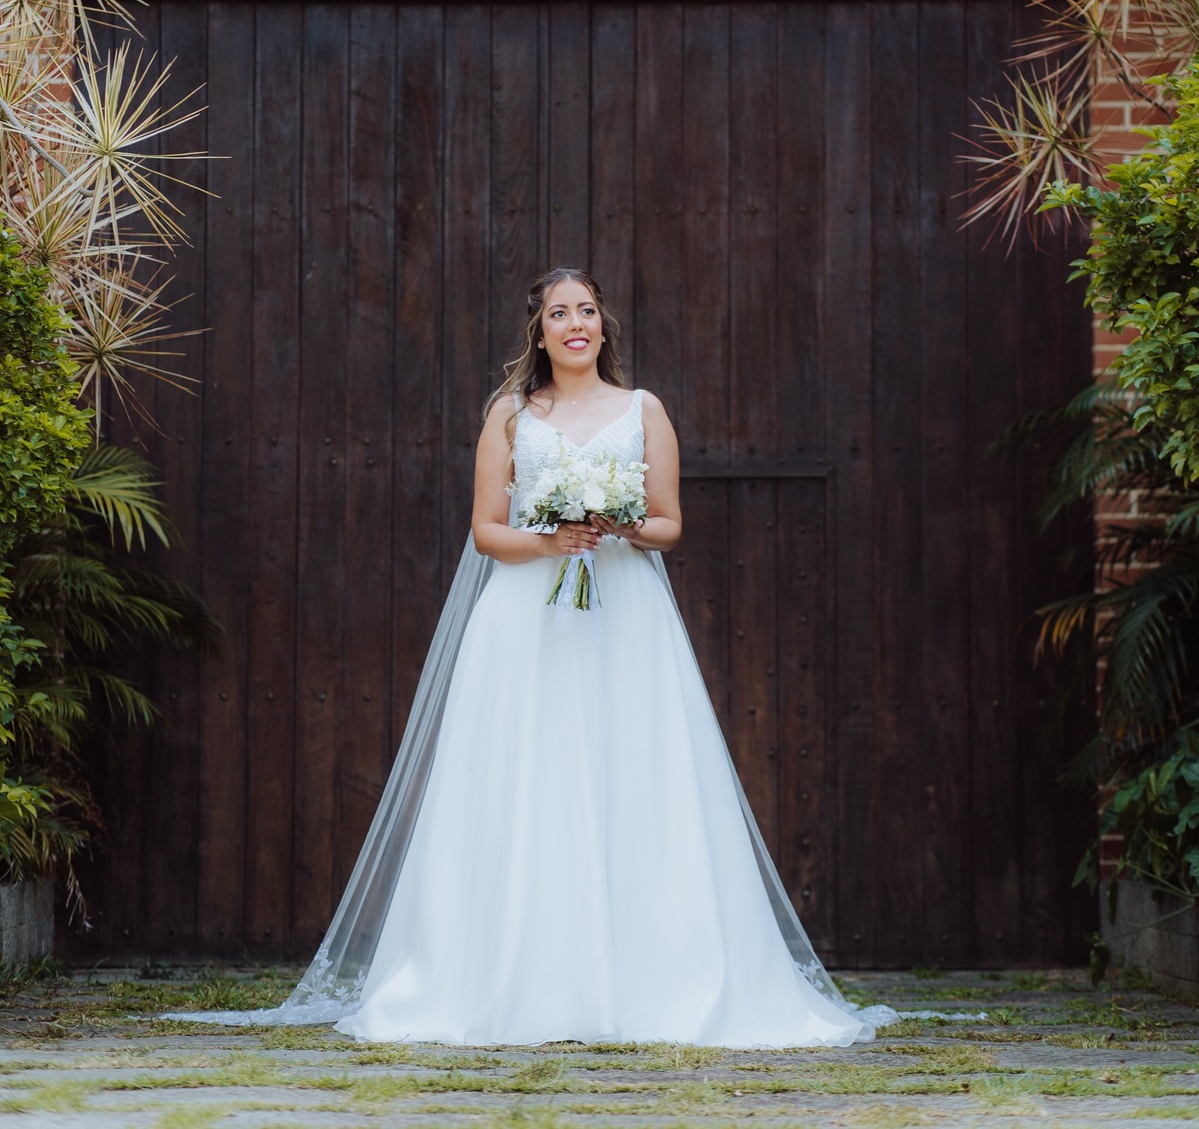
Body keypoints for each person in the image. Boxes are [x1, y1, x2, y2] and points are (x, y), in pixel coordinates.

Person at [175, 268, 887, 1046]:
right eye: (559, 313)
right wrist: (551, 538)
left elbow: (669, 523)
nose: (575, 323)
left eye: (586, 311)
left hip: (627, 618)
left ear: (603, 327)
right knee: (526, 778)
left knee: (633, 775)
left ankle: (654, 978)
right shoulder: (510, 417)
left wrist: (619, 525)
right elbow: (487, 530)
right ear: (539, 331)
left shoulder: (643, 410)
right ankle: (510, 976)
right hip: (524, 624)